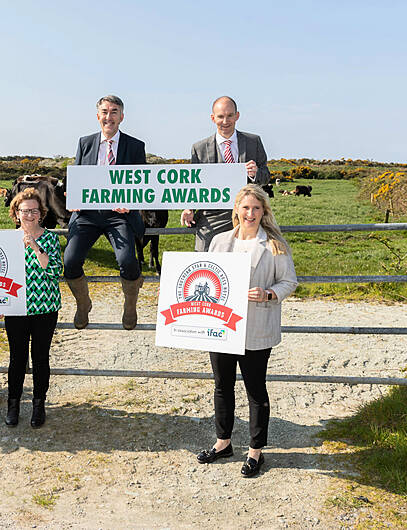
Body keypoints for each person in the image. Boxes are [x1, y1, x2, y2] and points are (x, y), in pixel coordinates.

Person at [196, 184, 297, 477]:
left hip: (256, 327)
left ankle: (255, 451)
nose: (250, 213)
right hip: (222, 326)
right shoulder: (219, 241)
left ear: (263, 211)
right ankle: (223, 442)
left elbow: (289, 282)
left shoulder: (274, 244)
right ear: (236, 210)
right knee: (222, 386)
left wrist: (267, 294)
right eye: (245, 207)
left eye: (256, 208)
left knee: (255, 390)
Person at [64, 94, 147, 330]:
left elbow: (142, 184)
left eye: (113, 112)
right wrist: (75, 195)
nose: (108, 116)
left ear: (122, 116)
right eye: (104, 111)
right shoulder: (85, 142)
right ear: (97, 115)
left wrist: (131, 203)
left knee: (128, 261)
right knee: (70, 261)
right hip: (87, 215)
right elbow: (78, 176)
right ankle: (83, 303)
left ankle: (130, 304)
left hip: (118, 215)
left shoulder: (135, 146)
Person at [2, 188, 63, 428]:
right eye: (24, 211)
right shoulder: (7, 240)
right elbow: (1, 274)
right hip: (16, 308)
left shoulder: (50, 238)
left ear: (41, 214)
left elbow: (54, 270)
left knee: (40, 357)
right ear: (16, 213)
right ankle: (13, 404)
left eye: (34, 211)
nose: (29, 215)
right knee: (16, 357)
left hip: (45, 307)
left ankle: (39, 404)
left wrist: (35, 247)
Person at [181, 96, 271, 251]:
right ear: (212, 118)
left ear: (237, 115)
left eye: (230, 115)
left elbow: (266, 175)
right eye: (220, 116)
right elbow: (194, 184)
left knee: (251, 260)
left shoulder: (253, 141)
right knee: (204, 257)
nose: (225, 121)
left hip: (248, 214)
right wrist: (189, 207)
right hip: (212, 216)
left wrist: (255, 174)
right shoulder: (199, 148)